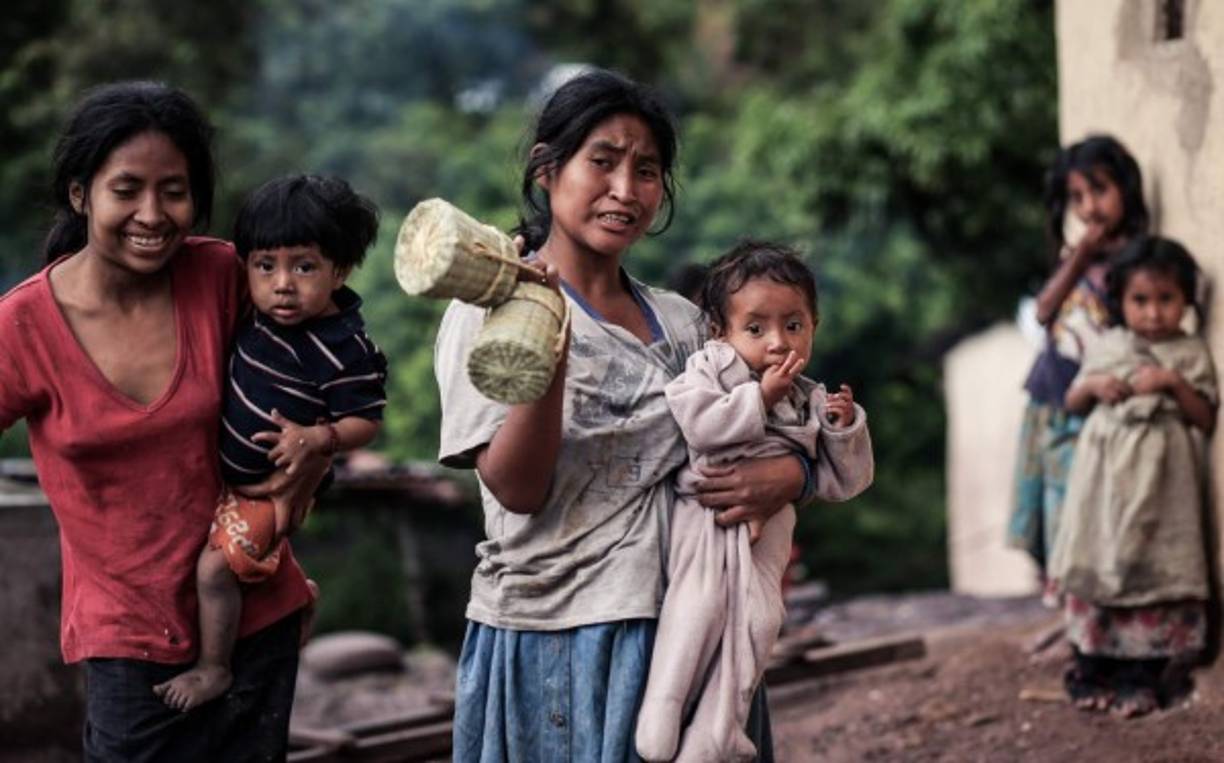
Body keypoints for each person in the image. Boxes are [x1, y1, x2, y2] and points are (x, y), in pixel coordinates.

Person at [434, 69, 811, 761]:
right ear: (547, 170)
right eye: (601, 162)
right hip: (561, 631)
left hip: (696, 624)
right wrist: (545, 342)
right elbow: (517, 489)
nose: (625, 190)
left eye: (646, 170)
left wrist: (795, 472)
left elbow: (781, 417)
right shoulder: (488, 312)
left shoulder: (686, 319)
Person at [0, 81, 322, 761]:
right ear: (81, 194)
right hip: (128, 637)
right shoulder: (24, 325)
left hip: (253, 613)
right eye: (127, 189)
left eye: (173, 190)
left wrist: (304, 475)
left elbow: (322, 368)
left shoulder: (223, 276)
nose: (153, 213)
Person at [153, 175, 387, 711]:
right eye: (266, 266)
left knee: (213, 572)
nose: (283, 284)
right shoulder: (258, 316)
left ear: (340, 270)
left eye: (304, 267)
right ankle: (296, 593)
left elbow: (366, 421)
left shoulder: (343, 346)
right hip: (228, 480)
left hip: (265, 493)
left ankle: (214, 668)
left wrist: (319, 437)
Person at [635, 241, 873, 762]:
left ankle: (717, 732)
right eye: (756, 328)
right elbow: (698, 425)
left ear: (814, 326)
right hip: (707, 518)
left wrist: (842, 428)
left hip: (772, 529)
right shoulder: (708, 371)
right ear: (721, 331)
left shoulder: (808, 396)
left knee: (758, 622)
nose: (776, 342)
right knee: (697, 609)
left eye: (794, 325)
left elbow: (844, 481)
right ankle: (665, 708)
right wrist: (757, 399)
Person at [1049, 236, 1215, 718]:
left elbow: (1204, 418)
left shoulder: (1190, 353)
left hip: (1162, 485)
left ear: (1187, 301)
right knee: (1102, 563)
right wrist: (1096, 385)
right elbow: (1072, 400)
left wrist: (1171, 384)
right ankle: (1089, 673)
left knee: (1151, 565)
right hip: (1103, 484)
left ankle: (1141, 680)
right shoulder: (1109, 345)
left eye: (1167, 299)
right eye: (1140, 300)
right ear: (1120, 302)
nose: (1154, 313)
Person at [1007, 135, 1150, 575]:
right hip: (1048, 397)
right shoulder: (1078, 256)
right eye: (1077, 197)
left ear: (1126, 188)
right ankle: (1062, 615)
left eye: (1100, 190)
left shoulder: (1137, 260)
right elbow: (1045, 311)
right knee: (1047, 516)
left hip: (1089, 407)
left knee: (1078, 515)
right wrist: (1080, 256)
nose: (1090, 207)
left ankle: (1078, 617)